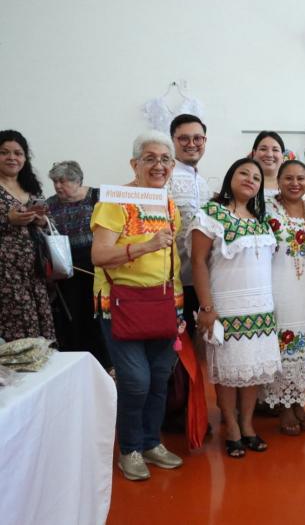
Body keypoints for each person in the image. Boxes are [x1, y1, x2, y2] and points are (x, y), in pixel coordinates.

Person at [91, 130, 184, 481]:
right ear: (134, 163)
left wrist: (178, 308)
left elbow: (172, 260)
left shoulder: (168, 203)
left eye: (165, 159)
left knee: (159, 378)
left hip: (163, 304)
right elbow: (99, 255)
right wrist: (146, 245)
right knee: (135, 382)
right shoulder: (115, 200)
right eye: (150, 158)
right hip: (122, 306)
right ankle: (129, 448)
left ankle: (150, 443)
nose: (158, 165)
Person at [189, 158, 281, 457]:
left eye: (256, 177)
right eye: (244, 173)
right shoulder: (211, 214)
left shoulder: (260, 220)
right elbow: (198, 262)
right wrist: (206, 306)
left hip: (261, 307)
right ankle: (231, 425)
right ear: (231, 177)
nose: (250, 179)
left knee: (251, 372)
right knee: (228, 373)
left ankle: (248, 424)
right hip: (227, 306)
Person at [260, 160, 305, 435]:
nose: (295, 183)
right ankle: (283, 405)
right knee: (283, 344)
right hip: (278, 284)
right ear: (279, 181)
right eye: (288, 178)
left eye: (301, 178)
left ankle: (297, 401)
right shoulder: (265, 208)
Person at [46, 160, 109, 367]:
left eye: (62, 181)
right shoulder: (50, 205)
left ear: (78, 180)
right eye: (55, 181)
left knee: (99, 316)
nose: (57, 186)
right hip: (67, 267)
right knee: (74, 317)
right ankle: (77, 363)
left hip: (97, 265)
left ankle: (105, 363)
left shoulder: (98, 197)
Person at [0, 130, 55, 342]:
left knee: (42, 328)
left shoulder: (31, 187)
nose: (12, 158)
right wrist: (7, 220)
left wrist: (41, 221)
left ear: (25, 158)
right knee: (17, 330)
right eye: (4, 152)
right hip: (6, 274)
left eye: (18, 153)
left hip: (35, 271)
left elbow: (49, 223)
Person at [169, 113, 211, 339]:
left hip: (199, 281)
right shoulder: (166, 176)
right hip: (173, 282)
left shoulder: (202, 182)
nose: (192, 144)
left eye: (198, 138)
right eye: (184, 138)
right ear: (173, 141)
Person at [250, 131, 285, 197]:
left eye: (275, 150)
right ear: (254, 153)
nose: (269, 154)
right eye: (263, 149)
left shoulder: (292, 186)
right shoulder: (245, 183)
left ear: (282, 156)